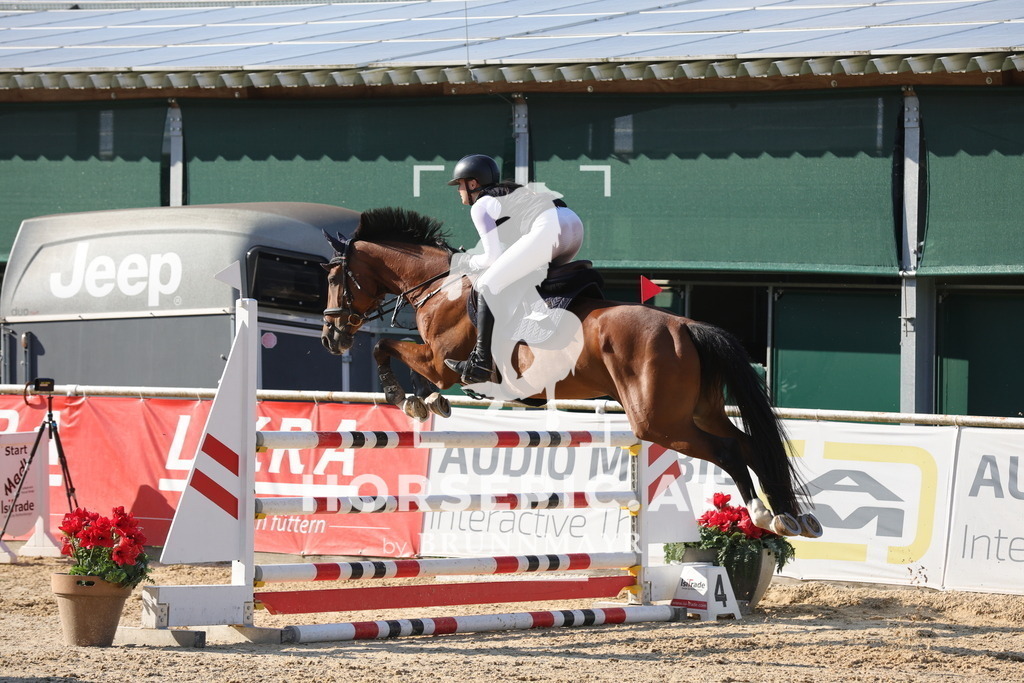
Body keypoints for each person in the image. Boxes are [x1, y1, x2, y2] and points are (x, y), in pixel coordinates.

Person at [443, 154, 585, 388]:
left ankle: (481, 362)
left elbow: (491, 257)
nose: (458, 190)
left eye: (459, 184)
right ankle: (539, 314)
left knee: (487, 284)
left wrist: (465, 260)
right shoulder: (508, 192)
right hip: (572, 224)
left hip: (548, 226)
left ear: (473, 184)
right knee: (526, 275)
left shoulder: (481, 205)